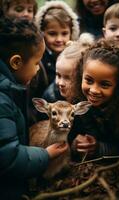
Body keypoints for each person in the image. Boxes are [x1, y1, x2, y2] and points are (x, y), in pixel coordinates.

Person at [0, 17, 68, 200]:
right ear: (16, 63)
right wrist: (45, 155)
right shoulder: (2, 101)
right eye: (37, 63)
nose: (38, 69)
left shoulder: (8, 89)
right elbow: (8, 158)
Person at [68, 38, 119, 161]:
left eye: (104, 84)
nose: (94, 90)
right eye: (89, 80)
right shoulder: (76, 103)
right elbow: (68, 138)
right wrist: (74, 145)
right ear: (80, 75)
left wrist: (99, 149)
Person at [35, 0, 80, 86]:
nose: (59, 39)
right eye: (52, 34)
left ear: (72, 33)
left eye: (64, 33)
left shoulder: (77, 56)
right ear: (42, 33)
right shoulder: (39, 60)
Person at [43, 33, 94, 104]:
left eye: (68, 78)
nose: (60, 83)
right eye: (58, 75)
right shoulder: (50, 98)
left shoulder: (92, 99)